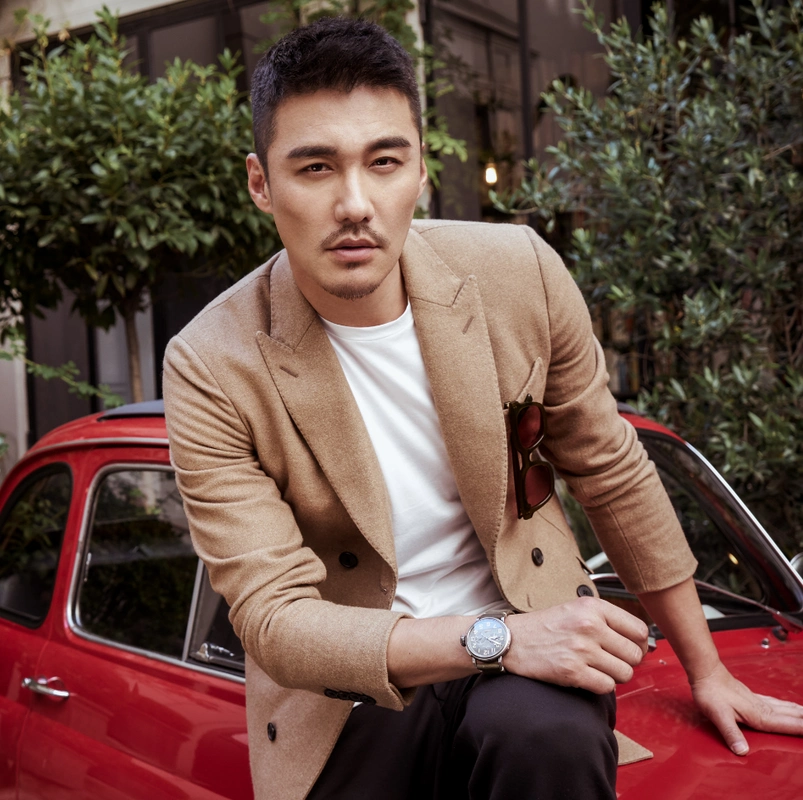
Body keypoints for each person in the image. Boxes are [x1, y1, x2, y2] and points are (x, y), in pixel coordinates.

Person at [162, 16, 803, 800]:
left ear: (419, 169)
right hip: (352, 692)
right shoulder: (211, 362)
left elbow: (609, 470)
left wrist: (707, 672)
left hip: (528, 648)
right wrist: (495, 639)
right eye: (316, 167)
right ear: (261, 183)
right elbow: (274, 619)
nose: (355, 203)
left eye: (384, 161)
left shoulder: (516, 274)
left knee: (548, 739)